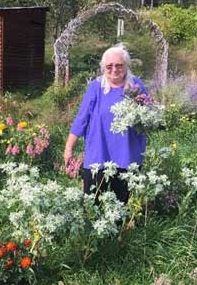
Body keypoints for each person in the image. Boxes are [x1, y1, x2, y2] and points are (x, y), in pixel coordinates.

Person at [63, 45, 148, 204]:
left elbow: (148, 116)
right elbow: (82, 119)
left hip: (127, 155)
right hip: (99, 154)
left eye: (119, 65)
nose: (114, 69)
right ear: (103, 68)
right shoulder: (96, 87)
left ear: (126, 65)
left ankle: (123, 229)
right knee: (92, 203)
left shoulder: (136, 86)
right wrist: (69, 148)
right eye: (109, 66)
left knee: (122, 205)